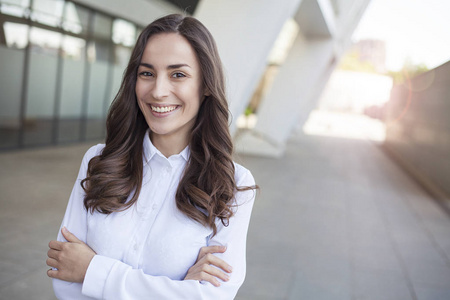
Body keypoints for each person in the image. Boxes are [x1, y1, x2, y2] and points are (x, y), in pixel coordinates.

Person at [46, 13, 257, 300]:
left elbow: (211, 297)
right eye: (147, 73)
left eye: (178, 74)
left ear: (206, 84)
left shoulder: (233, 184)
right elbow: (64, 278)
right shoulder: (98, 160)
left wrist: (92, 270)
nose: (158, 91)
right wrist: (179, 287)